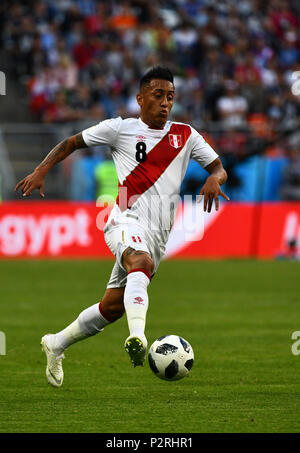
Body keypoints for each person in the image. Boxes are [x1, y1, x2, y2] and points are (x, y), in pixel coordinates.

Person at [15, 66, 229, 388]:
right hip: (123, 219)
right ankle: (138, 339)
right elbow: (72, 142)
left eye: (170, 97)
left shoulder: (185, 135)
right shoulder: (119, 129)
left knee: (111, 308)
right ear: (141, 99)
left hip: (158, 236)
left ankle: (55, 344)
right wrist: (42, 170)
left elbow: (218, 167)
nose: (165, 104)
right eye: (158, 96)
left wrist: (214, 178)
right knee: (139, 262)